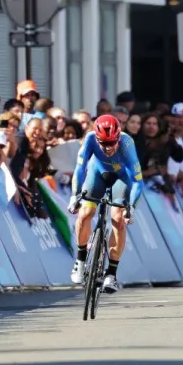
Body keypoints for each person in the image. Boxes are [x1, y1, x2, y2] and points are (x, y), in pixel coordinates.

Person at [67, 114, 143, 294]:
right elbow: (80, 168)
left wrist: (131, 207)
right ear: (97, 138)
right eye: (103, 144)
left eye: (112, 143)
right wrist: (74, 196)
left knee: (118, 219)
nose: (108, 148)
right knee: (85, 213)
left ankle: (111, 273)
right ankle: (80, 260)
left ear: (118, 138)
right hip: (97, 173)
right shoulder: (90, 139)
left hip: (121, 178)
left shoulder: (127, 144)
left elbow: (138, 181)